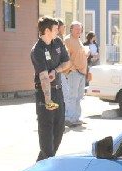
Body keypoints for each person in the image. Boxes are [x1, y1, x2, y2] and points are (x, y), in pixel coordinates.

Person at [30, 16, 71, 161]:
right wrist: (48, 99)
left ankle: (45, 160)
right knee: (46, 129)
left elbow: (67, 63)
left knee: (59, 128)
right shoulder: (37, 50)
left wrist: (55, 71)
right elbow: (43, 77)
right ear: (47, 30)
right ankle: (46, 162)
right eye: (55, 29)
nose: (58, 31)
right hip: (44, 93)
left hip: (58, 91)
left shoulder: (58, 42)